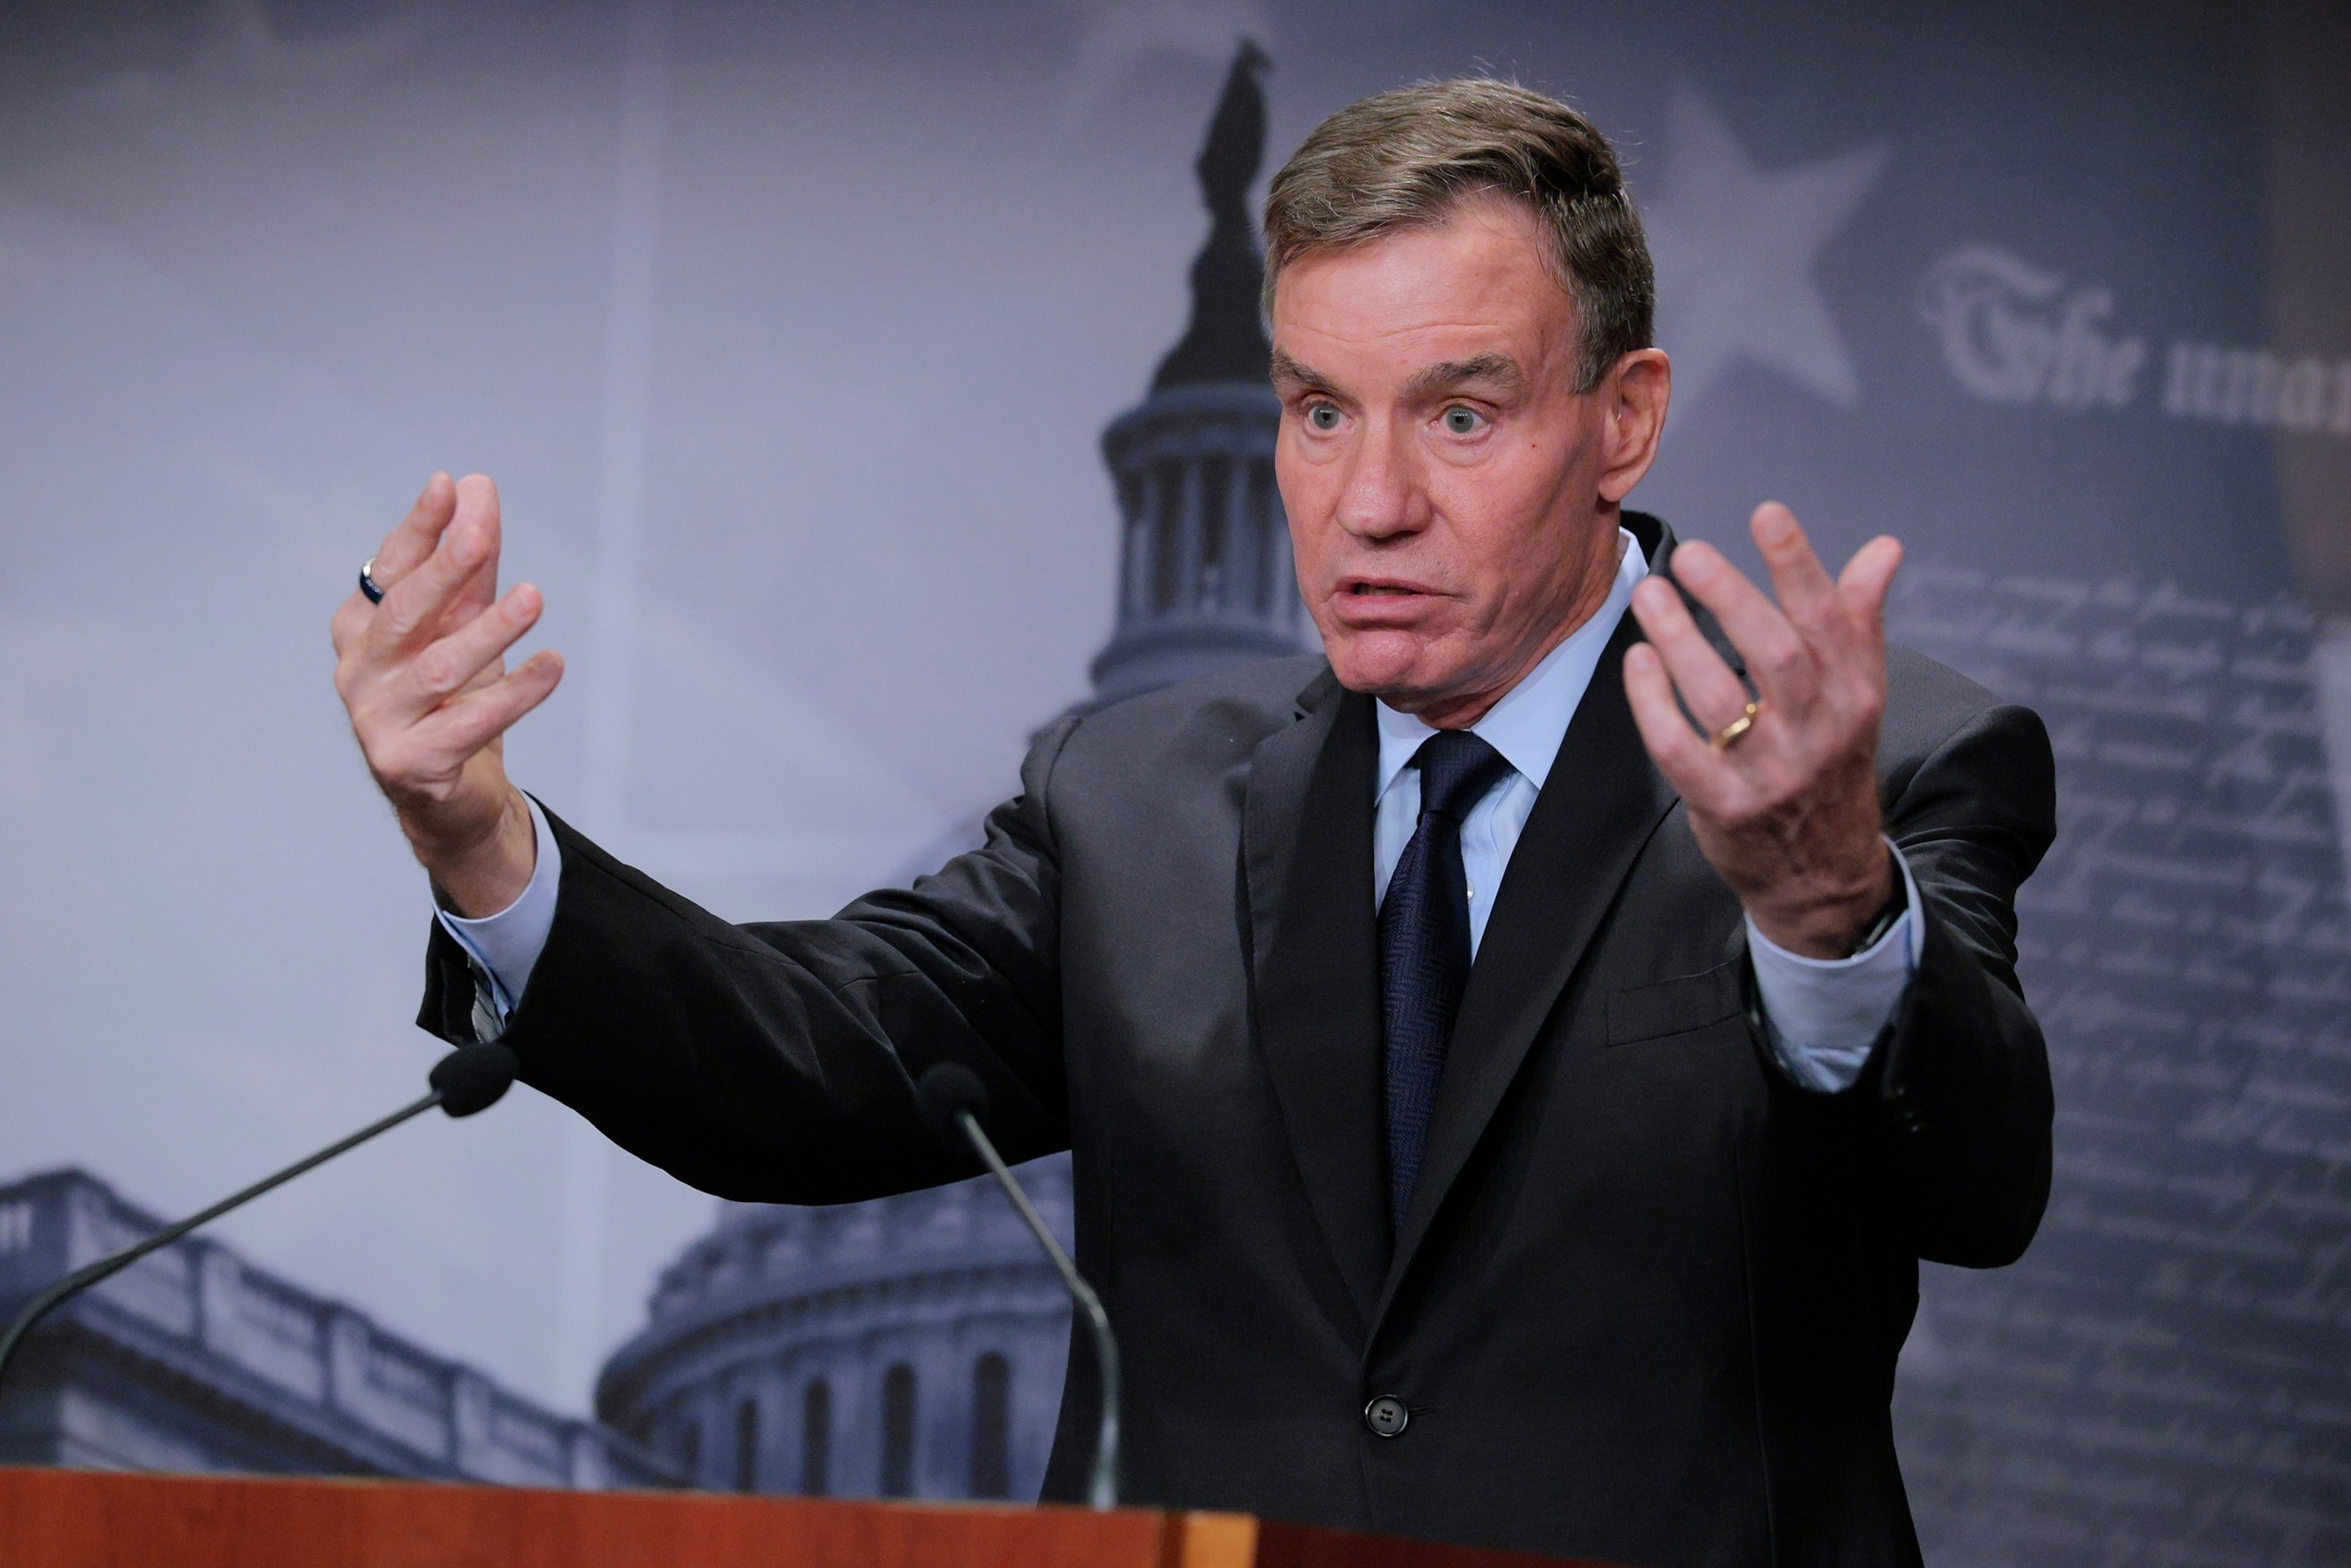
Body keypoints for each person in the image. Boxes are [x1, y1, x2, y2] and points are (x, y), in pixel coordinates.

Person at [331, 79, 2053, 1566]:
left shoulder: (1863, 775)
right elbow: (803, 1062)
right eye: (1317, 411)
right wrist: (479, 838)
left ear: (1624, 417)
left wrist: (1827, 909)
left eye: (1460, 414)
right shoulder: (1132, 796)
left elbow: (1975, 1179)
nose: (1370, 502)